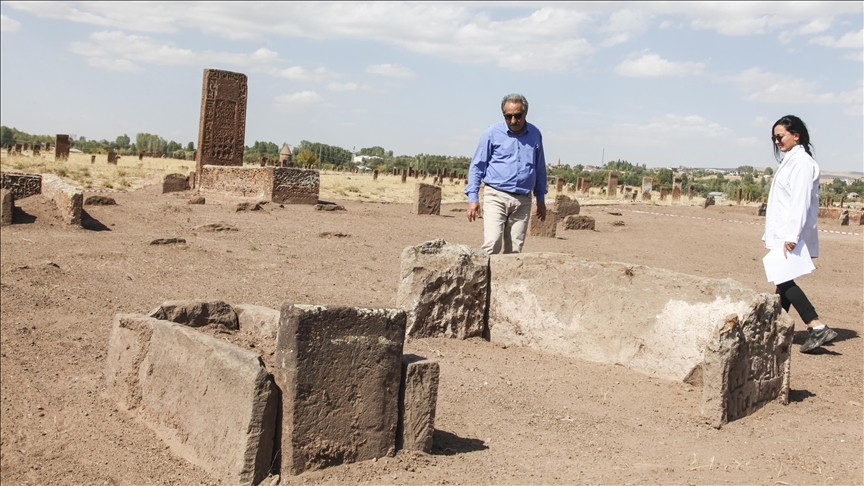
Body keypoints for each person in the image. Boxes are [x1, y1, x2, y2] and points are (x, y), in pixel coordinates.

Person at [763, 114, 837, 353]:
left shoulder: (802, 163)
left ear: (796, 135)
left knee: (784, 279)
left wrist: (792, 235)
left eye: (780, 136)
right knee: (782, 279)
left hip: (790, 232)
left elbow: (800, 202)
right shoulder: (790, 161)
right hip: (783, 231)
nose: (776, 141)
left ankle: (816, 326)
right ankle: (774, 328)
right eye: (774, 138)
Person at [464, 93, 547, 254]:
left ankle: (504, 280)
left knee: (515, 250)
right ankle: (484, 279)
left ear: (525, 113)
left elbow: (539, 169)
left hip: (523, 200)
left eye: (517, 116)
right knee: (492, 243)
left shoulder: (535, 134)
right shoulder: (492, 133)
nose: (513, 121)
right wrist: (472, 198)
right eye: (508, 117)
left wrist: (541, 199)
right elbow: (477, 166)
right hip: (496, 195)